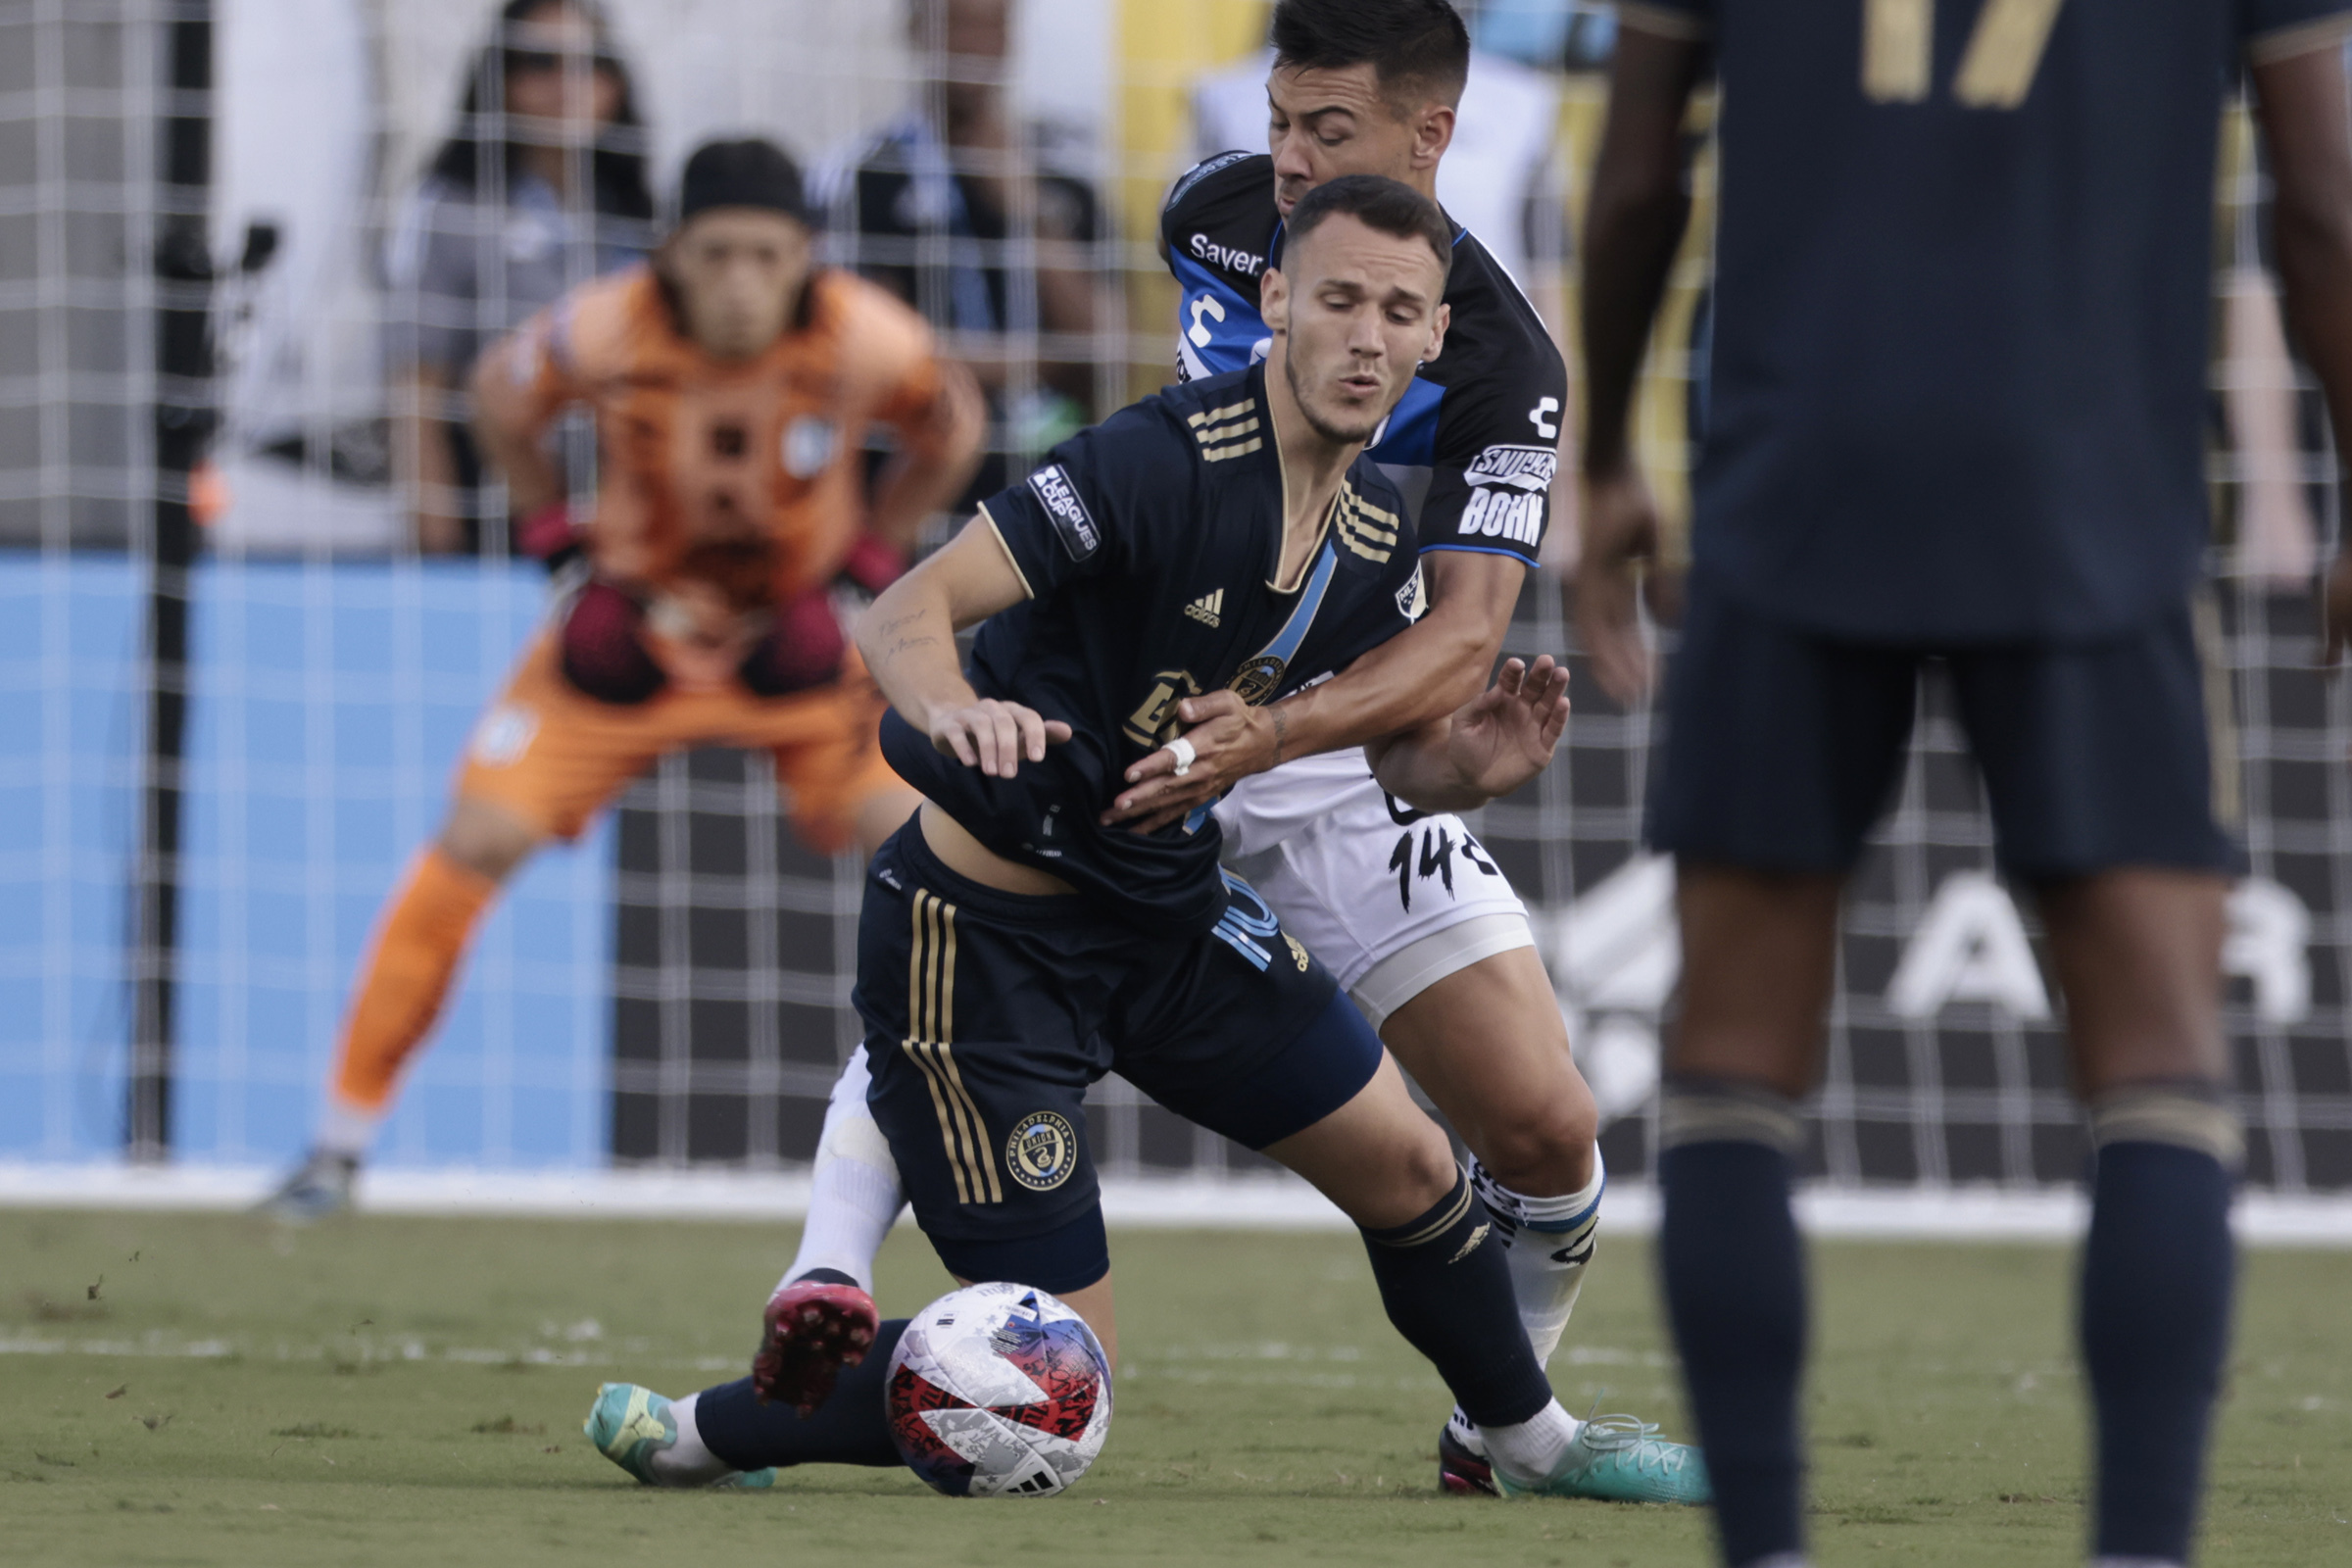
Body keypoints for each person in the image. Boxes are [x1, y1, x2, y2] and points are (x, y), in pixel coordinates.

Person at [584, 176, 1692, 1504]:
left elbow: (1394, 753)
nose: (1364, 337)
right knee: (1061, 1392)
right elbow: (901, 618)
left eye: (1398, 313)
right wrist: (960, 712)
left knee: (1411, 1165)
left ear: (1432, 340)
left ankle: (1529, 1439)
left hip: (1168, 916)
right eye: (1336, 298)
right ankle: (707, 1433)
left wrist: (1467, 768)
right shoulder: (1158, 459)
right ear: (1274, 300)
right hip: (986, 945)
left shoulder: (1378, 527)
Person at [1576, 7, 2352, 1568]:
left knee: (1730, 1060)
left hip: (1799, 481)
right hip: (2091, 497)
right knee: (2159, 1067)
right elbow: (2322, 193)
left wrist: (1606, 452)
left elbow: (1643, 158)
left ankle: (1770, 1547)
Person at [261, 139, 986, 1218]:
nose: (741, 281)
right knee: (474, 843)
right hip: (630, 643)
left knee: (943, 860)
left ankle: (969, 1151)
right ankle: (335, 1149)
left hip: (796, 654)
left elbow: (955, 426)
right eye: (717, 254)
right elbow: (497, 400)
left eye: (765, 255)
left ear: (807, 259)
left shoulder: (866, 336)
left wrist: (864, 572)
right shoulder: (602, 325)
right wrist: (562, 556)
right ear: (672, 255)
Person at [381, 0, 655, 556]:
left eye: (590, 63)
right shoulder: (451, 205)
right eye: (540, 63)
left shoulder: (639, 213)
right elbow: (416, 386)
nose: (567, 84)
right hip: (496, 512)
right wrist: (438, 544)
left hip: (632, 523)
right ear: (499, 79)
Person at [817, 0, 1110, 506]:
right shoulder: (865, 178)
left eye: (992, 25)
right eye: (958, 22)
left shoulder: (1062, 178)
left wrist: (1028, 211)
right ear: (915, 31)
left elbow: (1108, 349)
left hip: (1055, 489)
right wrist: (1044, 365)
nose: (975, 43)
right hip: (916, 486)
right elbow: (882, 359)